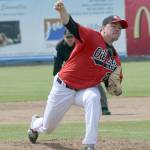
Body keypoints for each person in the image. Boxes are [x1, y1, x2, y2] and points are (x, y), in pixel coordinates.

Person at [28, 0, 128, 150]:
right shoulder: (90, 36)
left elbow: (112, 83)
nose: (117, 29)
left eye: (119, 28)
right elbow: (70, 24)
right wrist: (62, 11)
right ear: (102, 28)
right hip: (64, 87)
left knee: (94, 97)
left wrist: (115, 87)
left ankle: (90, 144)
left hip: (84, 91)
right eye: (113, 26)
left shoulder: (114, 58)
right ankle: (35, 124)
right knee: (48, 128)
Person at [53, 29, 111, 115]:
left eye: (71, 37)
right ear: (64, 37)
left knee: (96, 84)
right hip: (71, 69)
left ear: (75, 37)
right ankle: (56, 108)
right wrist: (56, 76)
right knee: (63, 86)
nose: (70, 39)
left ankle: (104, 107)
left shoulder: (80, 43)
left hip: (86, 65)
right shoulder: (59, 47)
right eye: (67, 37)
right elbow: (57, 64)